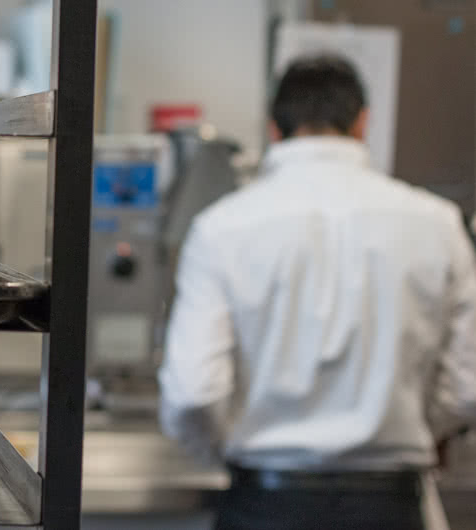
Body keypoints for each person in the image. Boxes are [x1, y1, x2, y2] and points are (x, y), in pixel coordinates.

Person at [159, 54, 476, 530]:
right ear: (363, 122)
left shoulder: (222, 228)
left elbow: (192, 394)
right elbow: (466, 386)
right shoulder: (437, 224)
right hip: (391, 505)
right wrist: (406, 429)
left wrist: (230, 446)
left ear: (273, 128)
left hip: (267, 503)